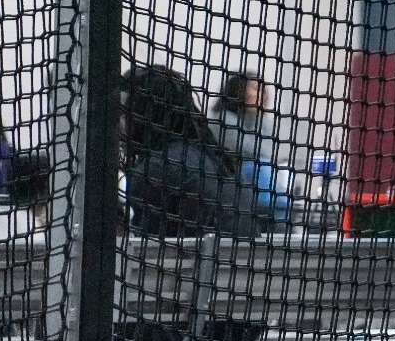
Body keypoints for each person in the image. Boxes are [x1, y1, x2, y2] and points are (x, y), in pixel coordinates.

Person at [122, 65, 263, 238]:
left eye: (123, 113)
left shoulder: (157, 168)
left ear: (142, 113)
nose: (119, 125)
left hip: (191, 262)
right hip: (243, 261)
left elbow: (145, 250)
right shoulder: (219, 161)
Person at [209, 71, 294, 227]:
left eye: (262, 90)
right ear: (239, 91)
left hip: (250, 179)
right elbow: (248, 149)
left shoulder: (258, 119)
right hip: (229, 175)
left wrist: (258, 115)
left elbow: (267, 148)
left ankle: (277, 215)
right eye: (255, 89)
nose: (260, 94)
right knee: (260, 167)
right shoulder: (222, 119)